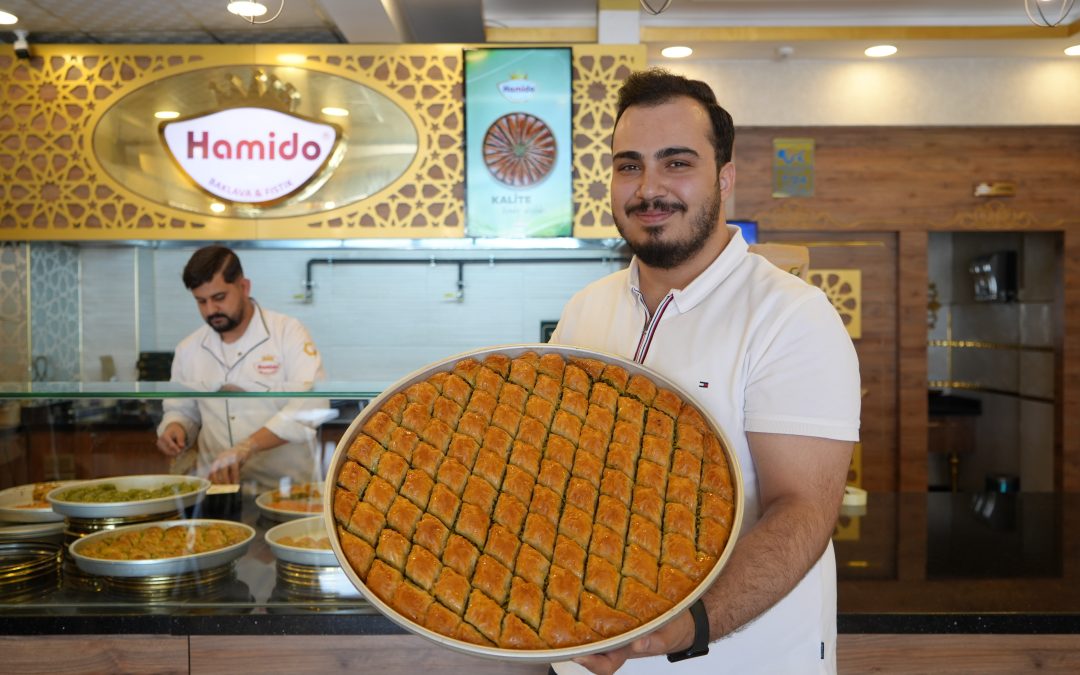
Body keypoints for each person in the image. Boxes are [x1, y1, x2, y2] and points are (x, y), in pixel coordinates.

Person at [549, 69, 861, 674]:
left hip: (733, 659)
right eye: (629, 165)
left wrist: (689, 624)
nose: (649, 188)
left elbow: (803, 511)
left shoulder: (791, 318)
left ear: (725, 179)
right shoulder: (584, 310)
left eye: (677, 163)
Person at [156, 245, 329, 493]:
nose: (210, 310)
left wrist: (246, 447)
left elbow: (311, 405)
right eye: (201, 301)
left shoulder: (287, 332)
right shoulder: (188, 348)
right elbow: (182, 409)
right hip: (216, 490)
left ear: (244, 287)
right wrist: (176, 427)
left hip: (284, 490)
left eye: (219, 298)